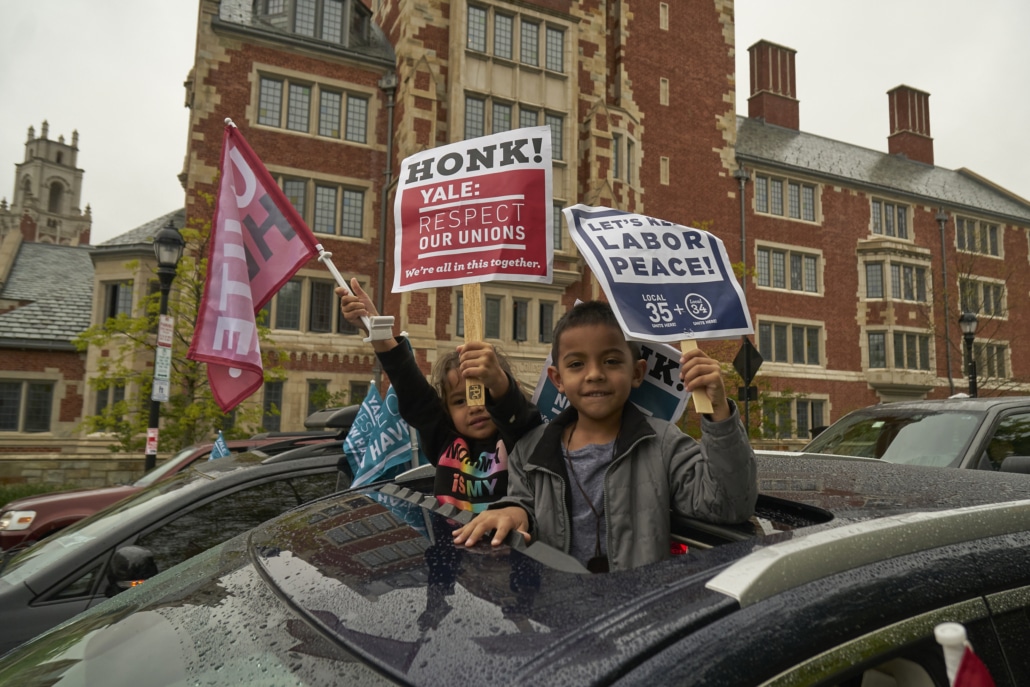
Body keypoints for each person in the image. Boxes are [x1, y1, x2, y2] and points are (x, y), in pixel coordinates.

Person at [452, 300, 757, 572]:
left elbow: (729, 505)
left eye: (611, 361)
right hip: (557, 614)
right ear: (557, 379)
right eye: (576, 364)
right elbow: (523, 504)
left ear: (637, 373)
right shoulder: (531, 449)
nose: (594, 373)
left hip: (636, 616)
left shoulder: (665, 444)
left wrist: (718, 412)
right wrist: (512, 511)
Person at [337, 279, 541, 512]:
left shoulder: (518, 439)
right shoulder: (443, 440)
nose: (475, 407)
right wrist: (375, 329)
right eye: (459, 401)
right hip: (450, 546)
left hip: (509, 547)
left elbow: (521, 416)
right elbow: (411, 387)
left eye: (485, 394)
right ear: (446, 410)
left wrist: (498, 381)